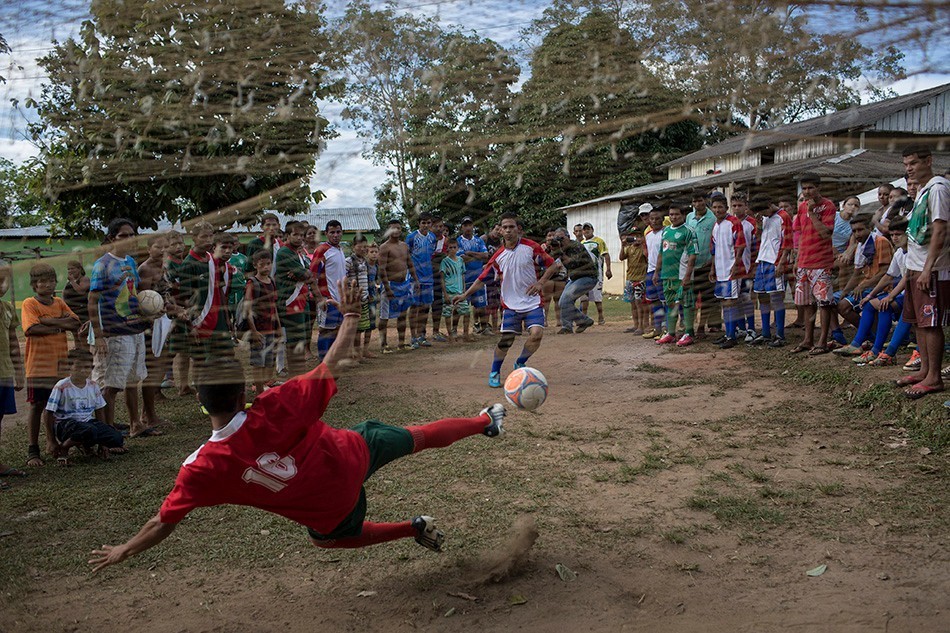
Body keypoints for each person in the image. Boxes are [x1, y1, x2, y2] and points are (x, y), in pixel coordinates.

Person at [87, 279, 509, 572]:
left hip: (332, 506)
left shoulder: (200, 469)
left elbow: (162, 522)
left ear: (199, 400)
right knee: (417, 436)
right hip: (355, 452)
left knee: (328, 539)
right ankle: (484, 420)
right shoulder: (273, 405)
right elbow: (332, 365)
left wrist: (125, 549)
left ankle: (411, 528)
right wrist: (349, 317)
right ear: (241, 396)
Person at [454, 213, 560, 387]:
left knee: (536, 334)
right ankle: (495, 371)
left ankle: (520, 362)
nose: (509, 230)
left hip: (533, 302)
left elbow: (553, 265)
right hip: (510, 305)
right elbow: (481, 279)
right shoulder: (498, 257)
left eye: (512, 227)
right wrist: (465, 295)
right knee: (506, 340)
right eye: (505, 227)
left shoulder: (531, 247)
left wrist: (541, 282)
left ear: (518, 229)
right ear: (501, 231)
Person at [89, 219, 156, 438]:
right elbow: (92, 300)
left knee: (132, 380)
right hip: (113, 332)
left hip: (133, 329)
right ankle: (108, 434)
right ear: (111, 238)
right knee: (111, 385)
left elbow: (133, 294)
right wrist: (98, 335)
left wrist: (147, 313)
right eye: (123, 235)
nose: (129, 238)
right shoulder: (103, 264)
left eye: (132, 234)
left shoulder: (130, 262)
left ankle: (135, 424)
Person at [896, 144, 949, 399]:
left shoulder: (938, 189)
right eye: (906, 165)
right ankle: (925, 370)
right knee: (918, 322)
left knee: (930, 323)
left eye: (914, 163)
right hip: (915, 265)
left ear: (928, 161)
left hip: (933, 267)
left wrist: (928, 269)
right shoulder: (922, 191)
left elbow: (940, 230)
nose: (910, 169)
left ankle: (934, 377)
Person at [22, 263, 81, 466]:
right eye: (41, 281)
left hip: (60, 364)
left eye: (50, 280)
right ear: (34, 285)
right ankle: (33, 450)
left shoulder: (59, 302)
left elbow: (75, 323)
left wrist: (46, 322)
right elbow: (31, 329)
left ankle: (54, 442)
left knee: (57, 406)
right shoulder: (30, 304)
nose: (47, 284)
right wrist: (59, 324)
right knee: (37, 405)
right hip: (38, 365)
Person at [840, 217, 909, 364]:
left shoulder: (913, 252)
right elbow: (888, 275)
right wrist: (871, 295)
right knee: (872, 304)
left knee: (885, 305)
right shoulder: (899, 253)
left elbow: (906, 278)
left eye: (898, 234)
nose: (895, 238)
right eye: (892, 235)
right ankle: (871, 348)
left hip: (911, 293)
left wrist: (890, 296)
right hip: (903, 293)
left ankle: (885, 351)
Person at [44, 349, 125, 465]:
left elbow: (99, 410)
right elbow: (48, 412)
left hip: (87, 423)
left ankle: (86, 446)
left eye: (87, 367)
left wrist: (103, 442)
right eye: (78, 367)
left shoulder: (93, 386)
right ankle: (64, 447)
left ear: (92, 368)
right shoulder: (61, 386)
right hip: (66, 425)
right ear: (69, 367)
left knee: (116, 437)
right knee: (89, 430)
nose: (83, 371)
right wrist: (51, 440)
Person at [790, 174, 838, 355]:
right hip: (804, 262)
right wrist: (797, 259)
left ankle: (822, 341)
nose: (807, 192)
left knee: (824, 303)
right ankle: (808, 340)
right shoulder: (801, 207)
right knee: (807, 303)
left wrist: (812, 213)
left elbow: (826, 233)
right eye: (804, 188)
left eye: (811, 188)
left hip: (821, 262)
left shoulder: (828, 206)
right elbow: (800, 234)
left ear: (819, 188)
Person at [835, 215, 893, 332]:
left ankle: (869, 333)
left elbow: (885, 271)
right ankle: (837, 335)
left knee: (844, 307)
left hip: (881, 286)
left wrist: (863, 286)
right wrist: (845, 292)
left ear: (869, 228)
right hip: (866, 285)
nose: (857, 234)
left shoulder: (880, 242)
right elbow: (856, 274)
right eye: (854, 231)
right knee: (830, 301)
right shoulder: (860, 246)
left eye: (860, 230)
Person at [138, 232, 172, 429]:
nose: (162, 250)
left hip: (164, 321)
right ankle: (149, 415)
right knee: (152, 371)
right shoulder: (145, 270)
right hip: (151, 327)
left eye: (164, 246)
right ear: (149, 248)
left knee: (161, 368)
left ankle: (147, 413)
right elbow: (143, 300)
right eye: (158, 247)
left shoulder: (164, 267)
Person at [653, 201, 699, 347]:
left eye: (677, 214)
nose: (674, 217)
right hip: (667, 275)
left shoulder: (689, 231)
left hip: (682, 275)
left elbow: (693, 255)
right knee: (670, 304)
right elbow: (661, 252)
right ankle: (671, 333)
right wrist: (656, 272)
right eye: (671, 214)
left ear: (683, 215)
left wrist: (687, 275)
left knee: (686, 303)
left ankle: (689, 333)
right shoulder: (666, 231)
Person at [749, 194, 792, 347]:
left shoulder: (783, 216)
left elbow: (787, 242)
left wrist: (781, 263)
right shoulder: (765, 218)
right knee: (762, 296)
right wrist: (759, 225)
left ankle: (780, 334)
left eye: (763, 212)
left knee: (776, 297)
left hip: (774, 261)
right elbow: (760, 238)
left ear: (769, 206)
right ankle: (766, 332)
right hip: (762, 260)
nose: (763, 215)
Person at [274, 221, 313, 376]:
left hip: (302, 300)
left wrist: (303, 273)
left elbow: (310, 274)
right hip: (290, 302)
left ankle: (299, 373)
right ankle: (295, 375)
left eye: (301, 235)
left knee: (302, 340)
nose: (299, 238)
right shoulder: (284, 253)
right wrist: (304, 273)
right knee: (294, 341)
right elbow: (306, 274)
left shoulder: (298, 254)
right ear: (287, 235)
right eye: (295, 234)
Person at [709, 195, 746, 349]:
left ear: (726, 208)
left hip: (731, 269)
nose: (717, 210)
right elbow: (714, 249)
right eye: (715, 207)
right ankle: (728, 333)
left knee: (731, 301)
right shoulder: (716, 226)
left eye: (720, 207)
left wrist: (736, 264)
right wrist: (713, 268)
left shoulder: (734, 222)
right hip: (720, 269)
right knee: (724, 301)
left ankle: (732, 336)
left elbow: (740, 245)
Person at [0, 261, 25, 482]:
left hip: (4, 371)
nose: (2, 284)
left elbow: (13, 342)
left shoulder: (7, 309)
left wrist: (19, 371)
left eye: (4, 280)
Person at [245, 249, 281, 395]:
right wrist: (254, 331)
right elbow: (247, 310)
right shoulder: (252, 283)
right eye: (262, 264)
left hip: (270, 328)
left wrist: (278, 327)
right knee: (258, 363)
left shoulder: (271, 282)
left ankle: (264, 386)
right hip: (259, 329)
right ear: (255, 265)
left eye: (268, 264)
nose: (266, 267)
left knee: (268, 360)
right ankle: (259, 392)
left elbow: (274, 307)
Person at [377, 219, 416, 353]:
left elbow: (410, 264)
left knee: (402, 315)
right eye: (393, 228)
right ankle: (383, 344)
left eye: (398, 228)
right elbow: (382, 270)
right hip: (390, 285)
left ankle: (401, 343)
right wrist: (387, 288)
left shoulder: (404, 246)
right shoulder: (384, 247)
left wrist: (415, 280)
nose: (396, 231)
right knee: (384, 316)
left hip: (403, 285)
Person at [310, 220, 347, 361]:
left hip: (340, 300)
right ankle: (323, 361)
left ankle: (332, 359)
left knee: (337, 329)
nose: (336, 235)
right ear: (326, 234)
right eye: (332, 232)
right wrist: (320, 298)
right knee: (326, 330)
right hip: (328, 298)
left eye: (338, 232)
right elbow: (312, 277)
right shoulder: (321, 250)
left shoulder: (340, 250)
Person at [552, 227, 597, 335]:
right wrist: (549, 248)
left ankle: (571, 325)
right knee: (563, 301)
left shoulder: (576, 246)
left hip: (588, 277)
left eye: (561, 238)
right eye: (557, 238)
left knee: (565, 300)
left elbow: (572, 264)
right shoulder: (562, 248)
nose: (560, 241)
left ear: (568, 237)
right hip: (575, 278)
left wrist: (560, 253)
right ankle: (578, 323)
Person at [686, 191, 719, 335]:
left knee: (706, 299)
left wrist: (712, 263)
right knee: (691, 299)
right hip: (691, 266)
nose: (697, 204)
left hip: (706, 264)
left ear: (705, 201)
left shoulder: (713, 218)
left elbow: (715, 241)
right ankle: (689, 327)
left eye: (700, 201)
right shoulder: (689, 217)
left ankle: (701, 326)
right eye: (694, 201)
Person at [406, 213, 437, 348]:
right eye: (423, 223)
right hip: (415, 279)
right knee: (414, 307)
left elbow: (431, 254)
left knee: (425, 308)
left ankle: (422, 335)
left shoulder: (432, 238)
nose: (426, 225)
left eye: (428, 223)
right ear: (419, 223)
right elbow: (407, 257)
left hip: (428, 278)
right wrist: (414, 277)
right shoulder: (411, 237)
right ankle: (413, 337)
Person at [456, 217, 490, 334]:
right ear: (462, 227)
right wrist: (477, 256)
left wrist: (470, 253)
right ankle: (461, 331)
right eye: (465, 225)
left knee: (481, 305)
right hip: (464, 278)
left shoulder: (478, 240)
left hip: (479, 277)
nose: (468, 227)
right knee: (463, 306)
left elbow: (485, 256)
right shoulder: (458, 241)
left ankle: (484, 327)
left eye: (470, 225)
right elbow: (462, 259)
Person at [345, 234, 372, 361]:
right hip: (354, 300)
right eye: (360, 246)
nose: (363, 249)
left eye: (365, 247)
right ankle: (355, 353)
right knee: (354, 328)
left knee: (361, 327)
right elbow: (343, 278)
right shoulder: (348, 261)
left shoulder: (365, 261)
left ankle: (357, 352)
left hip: (364, 298)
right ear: (353, 247)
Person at [439, 237, 471, 343]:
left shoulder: (461, 260)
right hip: (449, 291)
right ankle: (450, 334)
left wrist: (464, 291)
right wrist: (445, 294)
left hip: (460, 292)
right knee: (448, 313)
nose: (452, 249)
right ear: (447, 249)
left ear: (457, 248)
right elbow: (442, 279)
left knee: (466, 312)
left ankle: (465, 334)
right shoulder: (445, 261)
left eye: (454, 247)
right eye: (450, 247)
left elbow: (462, 275)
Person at [580, 223, 612, 325]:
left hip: (596, 273)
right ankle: (583, 318)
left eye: (588, 229)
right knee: (584, 297)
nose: (586, 231)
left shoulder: (599, 241)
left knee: (597, 297)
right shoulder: (581, 243)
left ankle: (601, 317)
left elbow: (606, 255)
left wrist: (608, 269)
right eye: (584, 230)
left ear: (592, 229)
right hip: (584, 274)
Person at [619, 226, 648, 335]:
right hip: (630, 278)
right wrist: (622, 246)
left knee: (639, 303)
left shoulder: (643, 248)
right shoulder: (628, 248)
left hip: (640, 279)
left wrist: (643, 244)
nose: (635, 238)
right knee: (632, 304)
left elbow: (647, 257)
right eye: (633, 236)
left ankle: (642, 326)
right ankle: (636, 325)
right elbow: (621, 258)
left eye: (638, 236)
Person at [642, 207, 666, 339]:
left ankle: (667, 329)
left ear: (662, 219)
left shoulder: (666, 233)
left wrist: (658, 271)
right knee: (654, 302)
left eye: (657, 218)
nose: (655, 221)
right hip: (650, 271)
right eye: (652, 219)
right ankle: (657, 328)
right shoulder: (648, 235)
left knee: (665, 301)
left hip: (662, 271)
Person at [429, 215, 449, 343]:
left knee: (437, 304)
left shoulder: (445, 241)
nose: (438, 228)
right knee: (423, 306)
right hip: (425, 276)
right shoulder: (427, 240)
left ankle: (435, 331)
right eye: (435, 226)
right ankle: (420, 333)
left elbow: (445, 257)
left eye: (441, 226)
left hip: (438, 276)